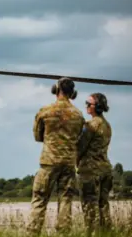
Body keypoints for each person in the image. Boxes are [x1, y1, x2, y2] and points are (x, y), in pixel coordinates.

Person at [27, 77, 85, 235]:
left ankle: (33, 232)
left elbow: (38, 137)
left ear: (56, 90)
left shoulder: (45, 111)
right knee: (66, 199)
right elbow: (79, 138)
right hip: (68, 163)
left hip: (48, 162)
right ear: (72, 93)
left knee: (39, 198)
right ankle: (63, 233)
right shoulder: (79, 115)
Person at [77, 93, 113, 235]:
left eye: (88, 103)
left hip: (91, 171)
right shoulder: (107, 125)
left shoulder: (92, 125)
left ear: (97, 107)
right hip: (105, 169)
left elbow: (80, 146)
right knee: (104, 207)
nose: (86, 106)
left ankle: (92, 234)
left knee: (89, 207)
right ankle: (106, 234)